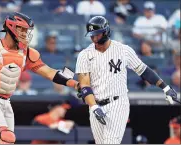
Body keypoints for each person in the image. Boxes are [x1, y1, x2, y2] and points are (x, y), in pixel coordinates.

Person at [0, 12, 79, 144]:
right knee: (5, 136)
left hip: (6, 100)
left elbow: (49, 72)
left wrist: (73, 84)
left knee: (7, 141)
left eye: (26, 30)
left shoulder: (27, 53)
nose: (25, 33)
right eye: (21, 29)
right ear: (11, 27)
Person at [75, 16, 178, 144]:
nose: (94, 38)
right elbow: (85, 85)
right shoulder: (84, 55)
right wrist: (94, 107)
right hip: (95, 104)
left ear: (106, 31)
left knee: (110, 142)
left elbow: (144, 71)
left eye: (97, 34)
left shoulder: (123, 50)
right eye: (92, 35)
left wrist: (165, 87)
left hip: (117, 103)